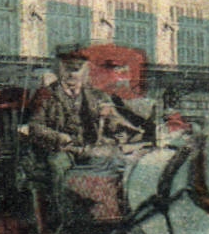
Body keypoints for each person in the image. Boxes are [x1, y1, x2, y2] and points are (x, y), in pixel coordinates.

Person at [23, 48, 147, 223]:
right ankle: (64, 220)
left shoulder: (94, 95)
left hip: (89, 149)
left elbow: (112, 123)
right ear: (60, 70)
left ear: (85, 71)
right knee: (59, 167)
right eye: (68, 69)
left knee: (121, 164)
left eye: (77, 69)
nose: (72, 74)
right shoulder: (47, 95)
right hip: (61, 149)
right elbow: (35, 126)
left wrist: (119, 127)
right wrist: (59, 137)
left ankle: (117, 215)